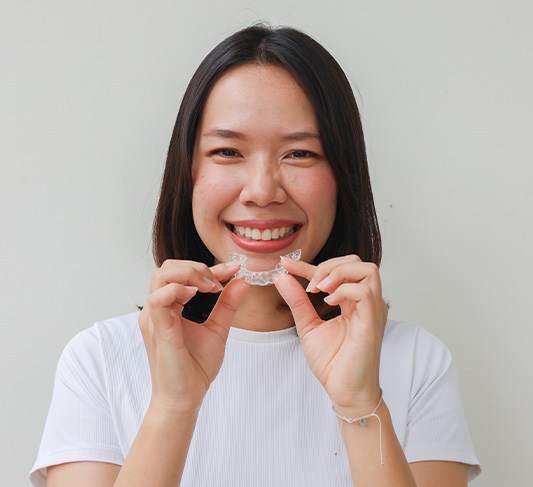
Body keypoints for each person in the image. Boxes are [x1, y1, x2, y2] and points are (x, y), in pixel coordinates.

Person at [30, 24, 480, 486]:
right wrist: (173, 406)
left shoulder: (417, 362)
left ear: (344, 175)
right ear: (188, 173)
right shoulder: (99, 360)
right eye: (227, 150)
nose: (262, 191)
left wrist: (360, 404)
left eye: (300, 154)